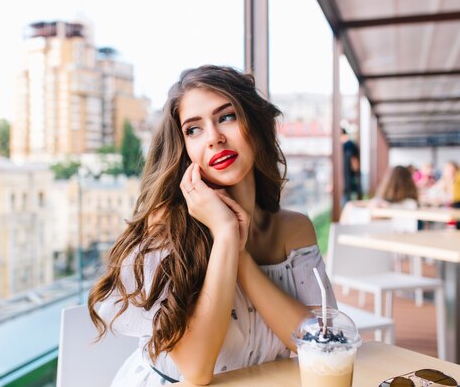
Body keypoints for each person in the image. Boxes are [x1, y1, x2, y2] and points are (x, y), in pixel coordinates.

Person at [87, 65, 336, 386]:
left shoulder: (293, 229)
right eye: (193, 130)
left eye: (226, 117)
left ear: (257, 126)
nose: (215, 138)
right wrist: (226, 235)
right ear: (185, 149)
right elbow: (196, 369)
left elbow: (322, 344)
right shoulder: (166, 229)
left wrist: (238, 253)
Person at [341, 128, 361, 205]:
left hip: (348, 178)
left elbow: (354, 161)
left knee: (347, 199)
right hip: (348, 178)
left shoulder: (348, 145)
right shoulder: (349, 145)